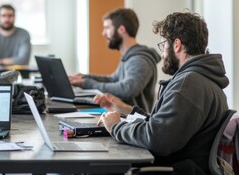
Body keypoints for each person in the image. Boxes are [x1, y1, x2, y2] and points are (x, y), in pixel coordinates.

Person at [96, 12, 229, 174]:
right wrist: (127, 110)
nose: (163, 53)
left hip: (173, 170)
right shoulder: (202, 79)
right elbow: (162, 125)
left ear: (177, 45)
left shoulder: (189, 84)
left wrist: (116, 127)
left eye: (163, 45)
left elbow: (157, 139)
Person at [69, 8, 161, 112]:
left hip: (133, 124)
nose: (103, 33)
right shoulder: (129, 57)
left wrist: (87, 83)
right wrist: (84, 78)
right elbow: (114, 80)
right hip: (120, 118)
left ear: (121, 29)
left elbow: (127, 89)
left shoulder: (139, 60)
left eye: (107, 28)